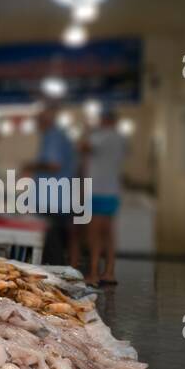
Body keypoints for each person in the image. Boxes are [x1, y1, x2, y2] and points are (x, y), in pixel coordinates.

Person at [74, 106, 128, 285]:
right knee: (109, 234)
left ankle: (94, 274)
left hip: (96, 191)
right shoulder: (121, 139)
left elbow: (81, 146)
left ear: (105, 120)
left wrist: (86, 130)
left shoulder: (100, 137)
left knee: (93, 235)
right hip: (112, 191)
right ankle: (110, 272)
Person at [28, 103, 78, 265]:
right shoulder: (58, 136)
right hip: (57, 198)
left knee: (52, 247)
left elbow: (53, 164)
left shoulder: (53, 136)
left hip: (51, 200)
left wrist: (30, 165)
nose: (37, 125)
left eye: (38, 121)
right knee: (54, 246)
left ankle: (57, 282)